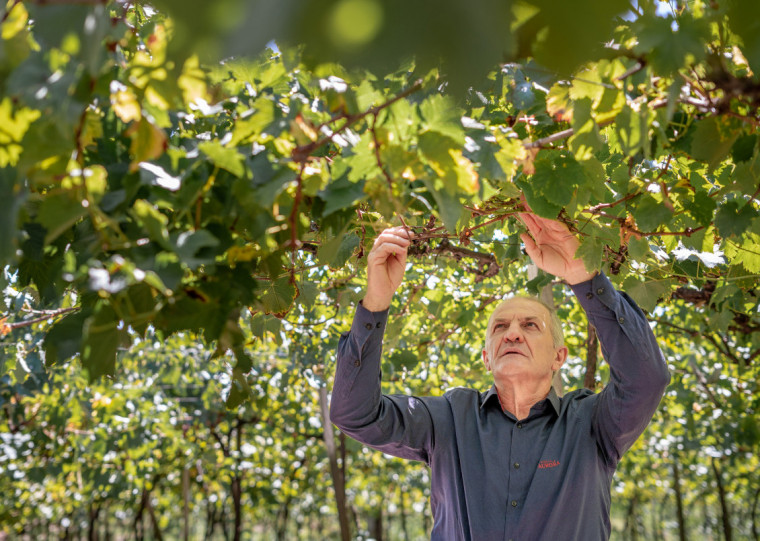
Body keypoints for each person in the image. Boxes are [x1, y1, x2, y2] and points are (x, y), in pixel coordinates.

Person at [329, 212, 670, 541]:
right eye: (500, 327)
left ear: (559, 357)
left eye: (530, 325)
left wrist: (585, 277)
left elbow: (646, 379)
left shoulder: (592, 423)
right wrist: (376, 302)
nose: (513, 334)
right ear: (487, 358)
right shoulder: (448, 418)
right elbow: (355, 414)